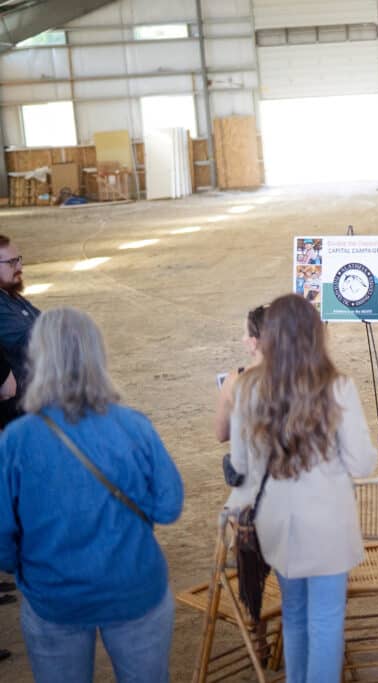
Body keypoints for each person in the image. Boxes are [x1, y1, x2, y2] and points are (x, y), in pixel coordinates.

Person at [0, 307, 184, 682]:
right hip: (134, 587)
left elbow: (3, 535)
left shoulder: (15, 441)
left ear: (36, 358)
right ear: (98, 355)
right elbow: (169, 506)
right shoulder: (134, 426)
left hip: (54, 596)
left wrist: (28, 568)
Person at [229, 294, 377, 682]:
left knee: (294, 614)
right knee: (326, 621)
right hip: (328, 523)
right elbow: (363, 463)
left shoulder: (247, 388)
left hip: (276, 523)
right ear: (315, 335)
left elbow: (240, 465)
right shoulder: (337, 387)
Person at [0, 235, 41, 428]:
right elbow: (31, 340)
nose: (19, 267)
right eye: (11, 262)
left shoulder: (12, 296)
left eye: (19, 260)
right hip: (21, 408)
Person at [214, 304, 267, 443]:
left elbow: (222, 434)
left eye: (245, 334)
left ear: (254, 342)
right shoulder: (303, 376)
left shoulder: (234, 380)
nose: (243, 339)